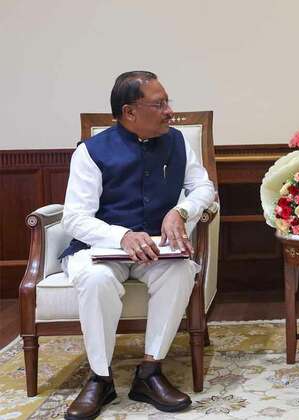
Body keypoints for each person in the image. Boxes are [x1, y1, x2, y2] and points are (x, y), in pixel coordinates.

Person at [60, 71, 216, 420]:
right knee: (97, 280)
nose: (169, 111)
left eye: (167, 102)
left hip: (157, 249)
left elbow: (204, 188)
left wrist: (181, 210)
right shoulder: (91, 152)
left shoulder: (177, 142)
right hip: (99, 249)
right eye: (159, 104)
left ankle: (149, 372)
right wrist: (121, 236)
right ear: (130, 112)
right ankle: (100, 378)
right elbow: (75, 218)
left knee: (180, 271)